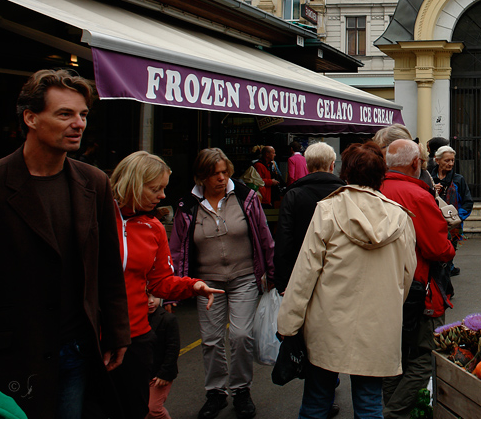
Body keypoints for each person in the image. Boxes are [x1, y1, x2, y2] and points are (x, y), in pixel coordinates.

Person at [0, 69, 131, 418]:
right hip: (11, 351)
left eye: (83, 114)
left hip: (77, 349)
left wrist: (116, 332)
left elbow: (108, 268)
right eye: (65, 114)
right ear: (31, 118)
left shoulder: (94, 182)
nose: (78, 124)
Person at [277, 142, 417, 419]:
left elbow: (306, 272)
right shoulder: (399, 217)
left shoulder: (328, 210)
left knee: (317, 399)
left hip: (327, 320)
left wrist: (288, 324)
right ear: (381, 175)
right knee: (369, 403)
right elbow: (406, 275)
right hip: (377, 323)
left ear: (346, 173)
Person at [110, 151, 223, 418]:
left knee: (134, 410)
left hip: (136, 335)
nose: (162, 196)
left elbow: (160, 282)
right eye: (155, 188)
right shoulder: (94, 216)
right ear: (134, 184)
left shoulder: (155, 228)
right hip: (93, 337)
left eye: (164, 188)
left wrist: (193, 286)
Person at [170, 148, 275, 419]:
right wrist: (173, 290)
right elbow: (178, 250)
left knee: (241, 335)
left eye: (224, 172)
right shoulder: (188, 206)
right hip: (206, 283)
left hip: (243, 278)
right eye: (214, 173)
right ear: (201, 176)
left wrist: (273, 275)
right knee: (211, 340)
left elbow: (265, 237)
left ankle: (242, 390)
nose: (220, 177)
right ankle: (215, 392)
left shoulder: (246, 198)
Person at [380, 140, 456, 418]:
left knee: (394, 359)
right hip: (419, 289)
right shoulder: (417, 194)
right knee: (424, 358)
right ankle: (393, 413)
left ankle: (391, 410)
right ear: (416, 163)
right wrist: (450, 242)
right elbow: (438, 249)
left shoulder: (376, 189)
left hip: (384, 290)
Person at [274, 142, 346, 294]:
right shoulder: (345, 194)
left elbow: (284, 238)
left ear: (307, 166)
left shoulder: (293, 195)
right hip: (339, 271)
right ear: (332, 166)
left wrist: (283, 280)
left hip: (301, 270)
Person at [432, 145, 473, 276]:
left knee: (450, 249)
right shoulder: (428, 178)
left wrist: (457, 218)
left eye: (452, 160)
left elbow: (467, 202)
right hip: (433, 222)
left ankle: (448, 270)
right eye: (446, 160)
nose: (450, 164)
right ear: (437, 160)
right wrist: (431, 191)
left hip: (452, 224)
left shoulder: (458, 179)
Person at [146, 295, 180, 419]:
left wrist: (164, 373)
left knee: (153, 409)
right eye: (146, 296)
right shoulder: (134, 319)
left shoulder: (168, 319)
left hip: (159, 375)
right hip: (141, 373)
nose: (150, 301)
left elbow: (173, 349)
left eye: (154, 297)